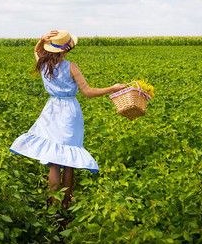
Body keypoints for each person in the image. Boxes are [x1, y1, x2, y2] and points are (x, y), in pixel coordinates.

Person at [9, 30, 126, 209]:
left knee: (54, 162)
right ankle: (66, 202)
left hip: (51, 111)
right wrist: (112, 88)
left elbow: (36, 51)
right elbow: (88, 92)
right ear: (64, 51)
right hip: (70, 112)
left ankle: (55, 203)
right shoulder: (72, 67)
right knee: (69, 161)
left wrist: (42, 40)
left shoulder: (42, 63)